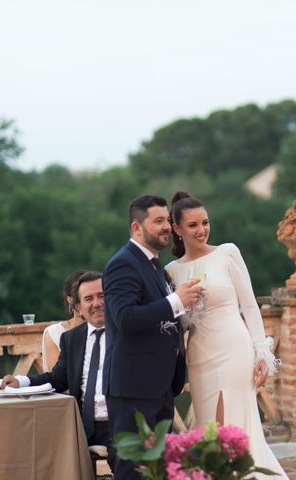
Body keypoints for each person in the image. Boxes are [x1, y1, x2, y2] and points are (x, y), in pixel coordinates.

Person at [165, 191, 288, 479]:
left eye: (205, 222)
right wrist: (186, 304)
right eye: (193, 225)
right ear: (177, 229)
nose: (201, 230)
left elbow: (249, 305)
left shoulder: (227, 253)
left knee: (234, 424)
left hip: (234, 350)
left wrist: (262, 354)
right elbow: (178, 322)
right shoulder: (171, 271)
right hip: (199, 357)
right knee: (209, 428)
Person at [102, 194, 204, 480]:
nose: (166, 227)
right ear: (137, 228)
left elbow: (158, 317)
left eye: (167, 221)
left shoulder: (154, 264)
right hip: (133, 387)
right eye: (158, 221)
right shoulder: (122, 264)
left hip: (158, 385)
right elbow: (126, 319)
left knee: (156, 469)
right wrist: (176, 301)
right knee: (133, 468)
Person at [2, 271, 116, 471]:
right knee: (38, 451)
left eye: (102, 295)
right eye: (88, 299)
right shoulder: (72, 339)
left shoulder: (126, 333)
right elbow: (57, 379)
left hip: (121, 423)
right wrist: (21, 381)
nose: (97, 303)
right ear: (79, 307)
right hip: (82, 427)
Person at [42, 269, 87, 371]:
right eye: (86, 298)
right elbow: (56, 378)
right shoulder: (54, 333)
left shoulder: (105, 330)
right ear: (70, 299)